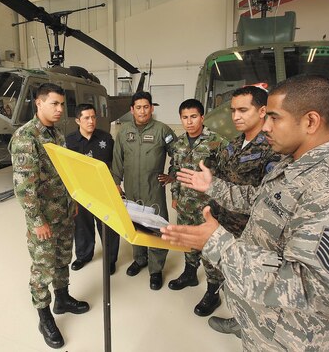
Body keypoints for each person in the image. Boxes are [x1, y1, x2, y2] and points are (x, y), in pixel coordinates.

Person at [161, 75, 329, 351]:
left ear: (311, 121)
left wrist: (217, 243)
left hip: (290, 338)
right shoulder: (292, 166)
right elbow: (260, 201)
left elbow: (313, 287)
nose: (265, 126)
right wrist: (213, 186)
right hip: (262, 324)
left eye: (275, 118)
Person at [9, 83, 90, 350]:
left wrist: (71, 202)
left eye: (61, 105)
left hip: (63, 211)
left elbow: (63, 173)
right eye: (54, 104)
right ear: (39, 103)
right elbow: (24, 189)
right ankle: (44, 317)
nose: (59, 109)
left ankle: (63, 298)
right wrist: (37, 221)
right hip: (43, 218)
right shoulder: (26, 138)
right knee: (43, 267)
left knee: (62, 258)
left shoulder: (57, 134)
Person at [208, 85, 279, 330]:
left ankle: (247, 327)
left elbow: (268, 198)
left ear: (262, 111)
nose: (235, 116)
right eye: (233, 110)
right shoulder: (233, 145)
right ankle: (239, 318)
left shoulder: (272, 149)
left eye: (242, 110)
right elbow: (221, 179)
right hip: (225, 223)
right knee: (231, 278)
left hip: (251, 232)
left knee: (253, 282)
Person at [168, 99, 228, 317]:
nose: (189, 121)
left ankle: (213, 291)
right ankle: (190, 274)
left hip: (207, 208)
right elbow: (175, 170)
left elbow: (224, 177)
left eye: (193, 116)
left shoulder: (217, 142)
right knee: (187, 242)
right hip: (185, 204)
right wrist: (175, 195)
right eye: (185, 117)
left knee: (209, 249)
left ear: (202, 117)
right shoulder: (179, 143)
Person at [111, 91, 176, 290]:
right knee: (135, 224)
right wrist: (116, 182)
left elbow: (179, 155)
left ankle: (156, 269)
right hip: (131, 189)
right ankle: (139, 259)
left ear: (152, 108)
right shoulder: (123, 132)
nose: (142, 111)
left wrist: (172, 174)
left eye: (146, 107)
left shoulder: (162, 130)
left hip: (153, 189)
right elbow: (118, 159)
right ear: (132, 110)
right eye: (138, 107)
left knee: (156, 227)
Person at [65, 103, 119, 275]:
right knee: (82, 226)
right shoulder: (69, 141)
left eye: (93, 117)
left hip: (104, 191)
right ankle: (83, 255)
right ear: (77, 120)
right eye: (86, 118)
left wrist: (118, 184)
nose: (91, 121)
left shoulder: (106, 138)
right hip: (81, 192)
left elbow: (116, 163)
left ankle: (110, 260)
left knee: (108, 226)